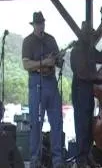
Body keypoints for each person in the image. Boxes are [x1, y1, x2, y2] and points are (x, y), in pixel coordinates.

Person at [22, 11, 64, 168]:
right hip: (36, 82)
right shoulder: (28, 41)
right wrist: (44, 62)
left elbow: (58, 61)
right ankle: (35, 159)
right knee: (36, 122)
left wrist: (59, 59)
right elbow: (26, 65)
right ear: (33, 25)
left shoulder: (51, 39)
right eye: (38, 23)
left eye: (42, 23)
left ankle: (57, 159)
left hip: (51, 82)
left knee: (57, 121)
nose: (41, 26)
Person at [70, 21, 102, 167]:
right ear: (84, 34)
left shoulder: (89, 48)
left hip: (88, 89)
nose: (91, 37)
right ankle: (81, 159)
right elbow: (82, 73)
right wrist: (97, 77)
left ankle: (86, 156)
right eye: (89, 34)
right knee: (82, 125)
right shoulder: (78, 49)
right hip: (80, 90)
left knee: (87, 123)